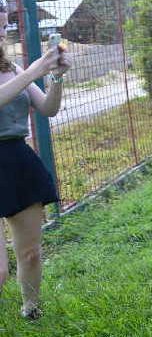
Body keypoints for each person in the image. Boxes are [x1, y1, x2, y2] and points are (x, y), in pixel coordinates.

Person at [0, 40, 69, 321]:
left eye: (2, 26)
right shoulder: (23, 72)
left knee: (30, 253)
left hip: (17, 160)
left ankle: (31, 309)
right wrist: (33, 71)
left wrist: (56, 77)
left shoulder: (12, 67)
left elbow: (48, 108)